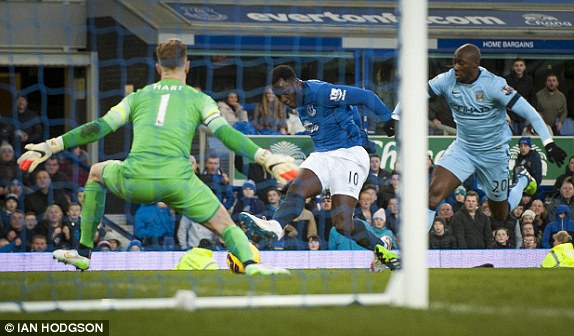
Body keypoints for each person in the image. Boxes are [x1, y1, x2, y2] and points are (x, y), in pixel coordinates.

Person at [18, 38, 296, 275]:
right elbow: (225, 134)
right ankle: (250, 264)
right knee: (225, 225)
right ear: (187, 65)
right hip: (179, 183)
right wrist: (267, 158)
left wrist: (51, 145)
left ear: (157, 67)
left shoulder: (138, 96)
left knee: (96, 172)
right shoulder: (199, 99)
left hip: (135, 179)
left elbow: (99, 127)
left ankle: (83, 253)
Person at [240, 64, 400, 270]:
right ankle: (275, 227)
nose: (284, 100)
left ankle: (382, 247)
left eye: (286, 94)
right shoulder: (297, 102)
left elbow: (365, 95)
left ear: (296, 84)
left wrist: (387, 118)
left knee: (343, 225)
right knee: (296, 189)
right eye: (280, 97)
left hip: (350, 154)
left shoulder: (323, 92)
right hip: (322, 154)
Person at [394, 44, 567, 232]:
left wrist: (548, 143)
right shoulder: (446, 80)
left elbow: (531, 113)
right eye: (454, 62)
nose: (456, 67)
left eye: (461, 63)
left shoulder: (494, 85)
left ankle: (523, 180)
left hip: (493, 154)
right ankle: (411, 257)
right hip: (464, 149)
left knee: (500, 215)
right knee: (432, 197)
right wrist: (394, 116)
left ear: (475, 64)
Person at [504, 58, 535, 135]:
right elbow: (503, 96)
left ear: (524, 67)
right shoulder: (507, 80)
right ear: (513, 67)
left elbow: (533, 97)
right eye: (516, 66)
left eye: (521, 65)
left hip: (525, 114)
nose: (519, 68)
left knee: (525, 138)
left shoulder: (529, 79)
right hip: (511, 114)